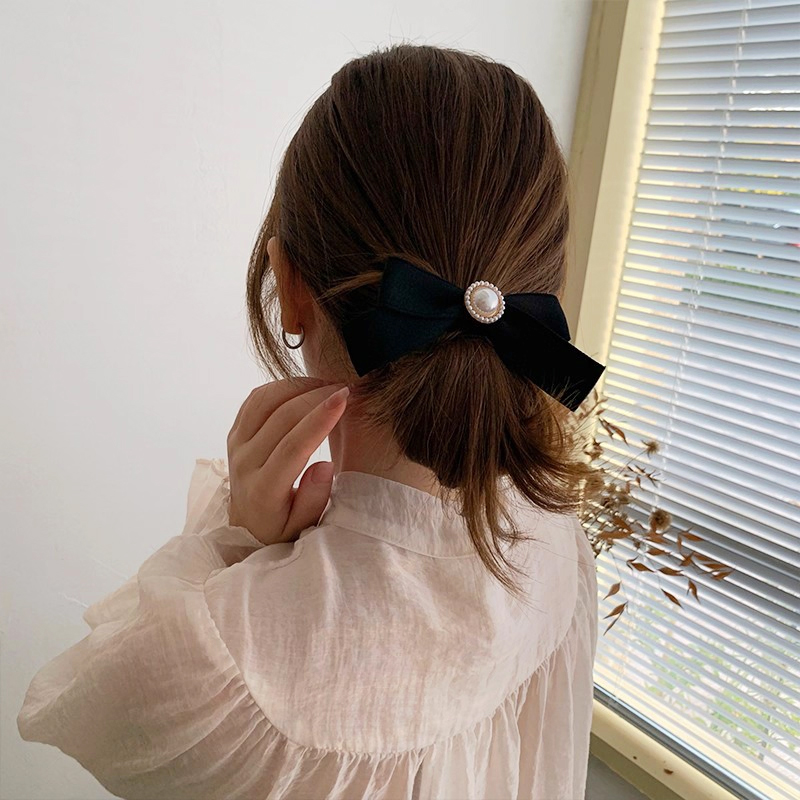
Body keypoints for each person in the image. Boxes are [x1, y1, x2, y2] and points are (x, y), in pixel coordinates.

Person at [18, 42, 604, 799]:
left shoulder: (218, 665)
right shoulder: (556, 541)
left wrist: (236, 541)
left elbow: (66, 700)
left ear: (290, 287)